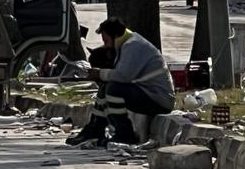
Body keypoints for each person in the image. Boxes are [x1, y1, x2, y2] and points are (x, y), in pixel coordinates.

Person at [67, 17, 175, 147]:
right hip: (149, 93)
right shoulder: (127, 44)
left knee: (114, 89)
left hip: (158, 99)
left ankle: (124, 134)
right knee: (105, 88)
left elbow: (123, 76)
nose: (105, 44)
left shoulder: (133, 46)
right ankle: (95, 128)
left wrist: (99, 73)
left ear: (116, 35)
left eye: (106, 40)